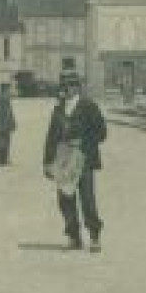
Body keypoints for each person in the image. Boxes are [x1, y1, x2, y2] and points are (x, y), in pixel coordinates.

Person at [43, 69, 108, 252]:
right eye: (65, 85)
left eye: (72, 84)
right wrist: (47, 162)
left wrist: (83, 140)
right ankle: (74, 236)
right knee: (65, 199)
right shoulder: (58, 109)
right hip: (64, 158)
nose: (68, 88)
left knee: (87, 199)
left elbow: (102, 133)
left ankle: (94, 237)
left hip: (84, 158)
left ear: (78, 87)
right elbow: (51, 137)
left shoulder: (89, 106)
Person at [0, 81, 17, 167]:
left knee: (1, 141)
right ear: (5, 89)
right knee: (5, 142)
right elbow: (8, 113)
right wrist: (12, 123)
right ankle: (4, 160)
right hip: (5, 124)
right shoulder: (5, 98)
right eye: (8, 89)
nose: (9, 91)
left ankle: (1, 160)